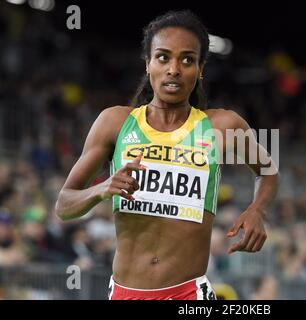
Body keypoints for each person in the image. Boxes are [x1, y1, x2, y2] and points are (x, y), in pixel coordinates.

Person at [54, 10, 279, 300]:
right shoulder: (115, 123)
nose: (174, 68)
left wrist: (257, 210)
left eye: (187, 59)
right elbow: (63, 204)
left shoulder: (222, 125)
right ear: (148, 64)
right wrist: (101, 189)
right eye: (163, 57)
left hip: (187, 294)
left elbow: (268, 170)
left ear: (200, 69)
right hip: (125, 292)